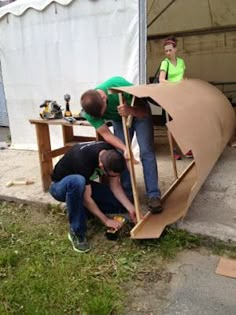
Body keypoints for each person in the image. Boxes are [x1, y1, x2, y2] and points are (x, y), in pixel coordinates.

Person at [80, 76, 162, 214]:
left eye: (104, 112)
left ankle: (153, 195)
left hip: (139, 113)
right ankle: (128, 193)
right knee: (120, 154)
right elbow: (106, 134)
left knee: (146, 152)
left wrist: (131, 110)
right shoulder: (90, 112)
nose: (102, 116)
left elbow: (145, 111)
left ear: (104, 97)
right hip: (119, 119)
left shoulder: (118, 85)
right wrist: (125, 149)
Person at [49, 141, 136, 253]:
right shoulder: (81, 159)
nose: (113, 177)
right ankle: (77, 232)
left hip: (84, 185)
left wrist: (131, 208)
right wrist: (106, 220)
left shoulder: (111, 153)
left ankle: (77, 207)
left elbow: (115, 186)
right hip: (60, 186)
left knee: (118, 204)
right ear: (101, 166)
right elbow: (87, 198)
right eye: (110, 175)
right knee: (77, 181)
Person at [159, 36, 193, 159]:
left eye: (170, 50)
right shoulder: (165, 63)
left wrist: (184, 83)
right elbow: (161, 80)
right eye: (166, 51)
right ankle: (174, 151)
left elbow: (182, 78)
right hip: (169, 96)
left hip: (181, 95)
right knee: (172, 124)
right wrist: (175, 84)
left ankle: (186, 148)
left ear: (175, 49)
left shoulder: (181, 62)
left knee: (184, 122)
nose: (168, 53)